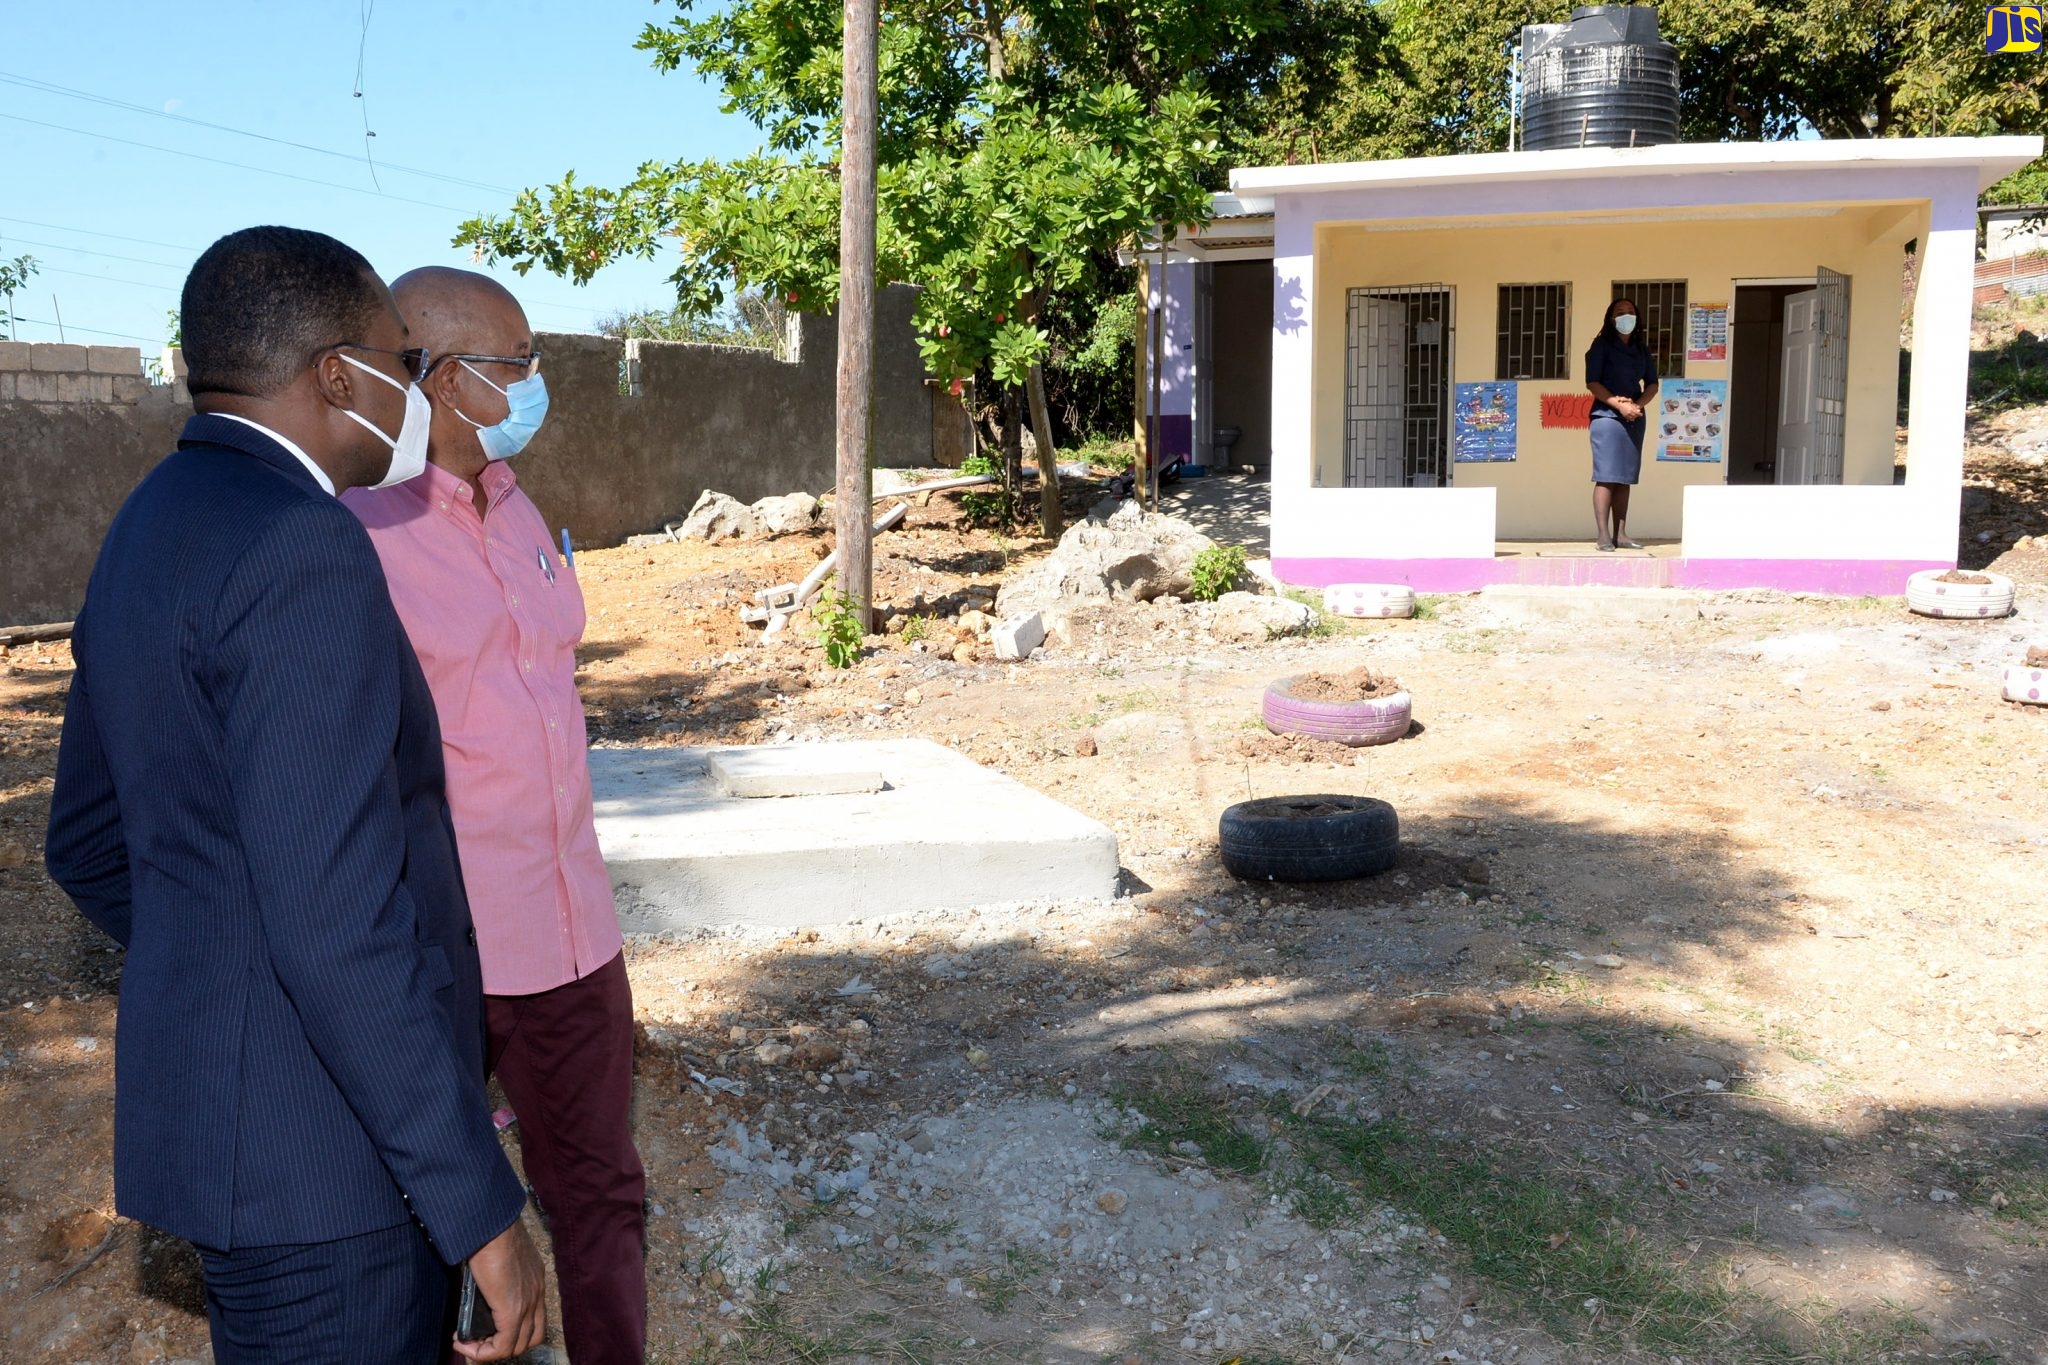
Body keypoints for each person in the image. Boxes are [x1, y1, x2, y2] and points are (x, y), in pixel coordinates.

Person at [43, 227, 546, 1365]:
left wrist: (232, 969)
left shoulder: (152, 519)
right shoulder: (302, 545)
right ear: (337, 374)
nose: (410, 391)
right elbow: (337, 923)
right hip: (330, 1171)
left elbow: (86, 841)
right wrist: (478, 1204)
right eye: (397, 360)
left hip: (243, 1147)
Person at [344, 267, 647, 1364]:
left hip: (571, 930)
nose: (534, 384)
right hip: (443, 949)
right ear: (437, 376)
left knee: (602, 1194)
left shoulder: (518, 500)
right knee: (434, 1215)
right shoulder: (354, 531)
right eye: (514, 365)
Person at [1584, 297, 1660, 551]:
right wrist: (1620, 405)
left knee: (1624, 478)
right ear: (1610, 318)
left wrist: (1637, 406)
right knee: (1607, 476)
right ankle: (1603, 535)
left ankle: (1622, 534)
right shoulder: (1601, 345)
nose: (1625, 316)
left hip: (1634, 418)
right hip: (1606, 416)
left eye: (1630, 312)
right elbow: (1592, 382)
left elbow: (1652, 383)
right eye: (1620, 312)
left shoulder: (1641, 348)